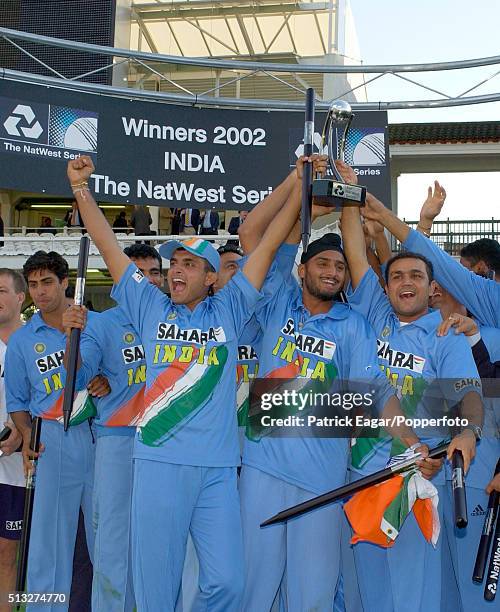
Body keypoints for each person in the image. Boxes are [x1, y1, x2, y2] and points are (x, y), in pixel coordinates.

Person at [66, 153, 316, 612]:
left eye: (188, 263)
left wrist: (299, 185)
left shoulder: (232, 307)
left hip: (218, 470)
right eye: (173, 262)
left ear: (211, 276)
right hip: (160, 463)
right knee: (155, 590)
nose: (176, 270)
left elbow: (269, 243)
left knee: (227, 584)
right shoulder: (149, 307)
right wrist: (82, 190)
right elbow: (107, 245)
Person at [338, 161, 483, 612]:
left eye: (416, 276)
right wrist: (349, 191)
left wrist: (466, 433)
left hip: (412, 482)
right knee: (365, 596)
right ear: (386, 286)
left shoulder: (444, 336)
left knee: (410, 601)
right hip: (358, 478)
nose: (406, 282)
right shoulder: (375, 316)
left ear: (432, 288)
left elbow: (470, 398)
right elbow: (355, 251)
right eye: (397, 275)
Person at [5, 251, 109, 612]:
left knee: (107, 540)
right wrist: (27, 436)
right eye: (33, 285)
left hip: (101, 438)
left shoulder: (96, 324)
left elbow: (109, 376)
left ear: (65, 282)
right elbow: (18, 401)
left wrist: (103, 380)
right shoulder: (22, 340)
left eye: (47, 282)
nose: (40, 292)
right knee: (48, 544)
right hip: (50, 439)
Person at [61, 244, 163, 612]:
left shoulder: (175, 320)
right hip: (118, 442)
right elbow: (78, 374)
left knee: (160, 545)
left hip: (166, 444)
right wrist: (71, 338)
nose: (148, 281)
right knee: (114, 544)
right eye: (138, 274)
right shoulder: (101, 324)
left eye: (154, 273)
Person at [0, 270, 25, 612]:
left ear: (21, 297)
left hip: (17, 469)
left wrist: (23, 429)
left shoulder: (35, 343)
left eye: (2, 290)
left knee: (7, 551)